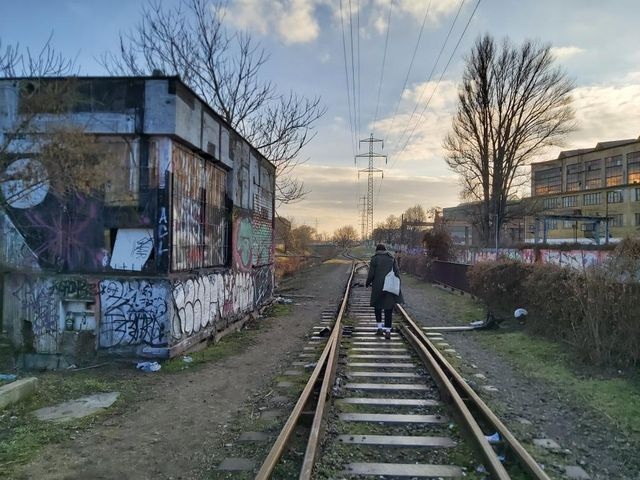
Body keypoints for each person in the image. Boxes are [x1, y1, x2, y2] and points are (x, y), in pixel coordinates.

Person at [365, 244, 404, 339]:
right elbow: (397, 272)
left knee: (377, 307)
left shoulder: (375, 259)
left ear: (377, 250)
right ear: (385, 250)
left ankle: (379, 329)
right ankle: (388, 331)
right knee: (388, 309)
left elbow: (371, 274)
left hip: (378, 287)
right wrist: (397, 284)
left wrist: (367, 283)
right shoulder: (391, 258)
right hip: (389, 287)